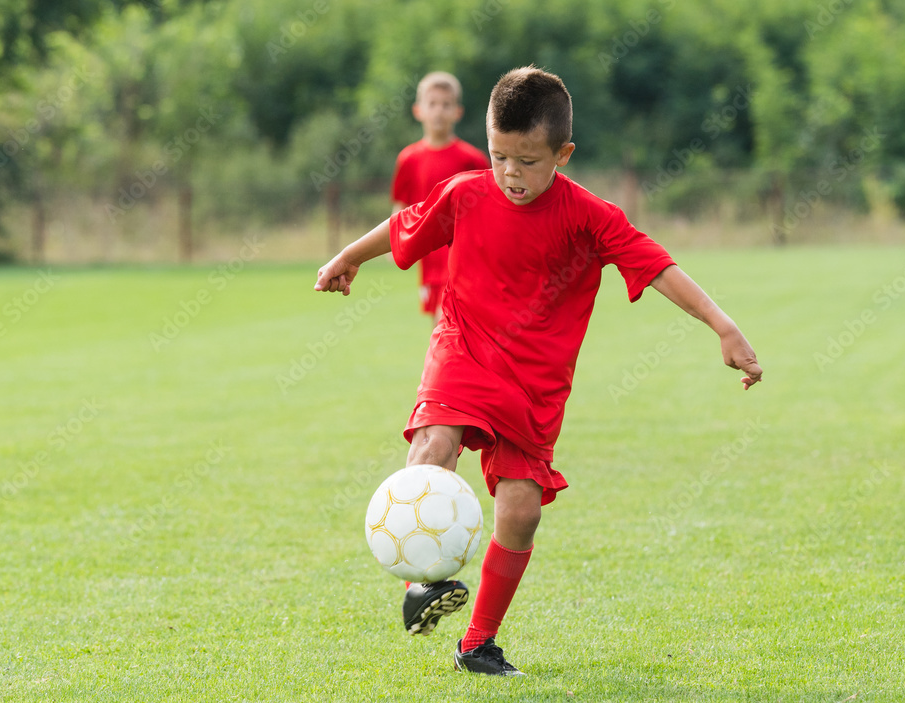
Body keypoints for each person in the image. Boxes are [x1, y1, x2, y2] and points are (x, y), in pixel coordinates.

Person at [315, 66, 763, 676]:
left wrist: (723, 325)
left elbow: (658, 267)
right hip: (463, 350)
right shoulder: (465, 192)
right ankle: (420, 583)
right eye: (500, 156)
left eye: (528, 161)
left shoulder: (590, 216)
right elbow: (402, 225)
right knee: (433, 443)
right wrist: (346, 257)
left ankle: (477, 645)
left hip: (533, 383)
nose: (510, 174)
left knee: (522, 511)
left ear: (563, 154)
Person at [391, 72, 489, 324]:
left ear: (458, 111)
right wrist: (394, 244)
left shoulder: (473, 159)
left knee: (448, 323)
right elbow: (401, 208)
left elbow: (487, 207)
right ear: (418, 110)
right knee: (441, 330)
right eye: (432, 104)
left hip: (463, 257)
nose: (439, 111)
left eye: (446, 105)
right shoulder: (408, 159)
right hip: (428, 261)